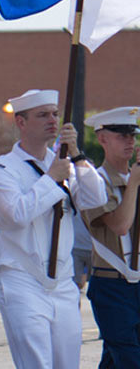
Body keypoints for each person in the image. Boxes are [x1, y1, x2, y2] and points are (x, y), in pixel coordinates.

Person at [0, 89, 106, 369]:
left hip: (62, 281)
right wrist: (52, 180)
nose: (52, 120)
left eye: (54, 113)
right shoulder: (3, 169)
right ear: (21, 122)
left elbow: (95, 198)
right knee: (37, 363)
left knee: (67, 363)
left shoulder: (64, 164)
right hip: (21, 278)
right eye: (42, 115)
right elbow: (17, 214)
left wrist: (76, 154)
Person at [82, 107, 140, 367]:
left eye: (133, 134)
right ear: (102, 138)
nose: (130, 140)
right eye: (121, 134)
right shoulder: (94, 181)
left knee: (115, 360)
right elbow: (120, 225)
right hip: (112, 285)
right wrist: (135, 184)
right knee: (129, 358)